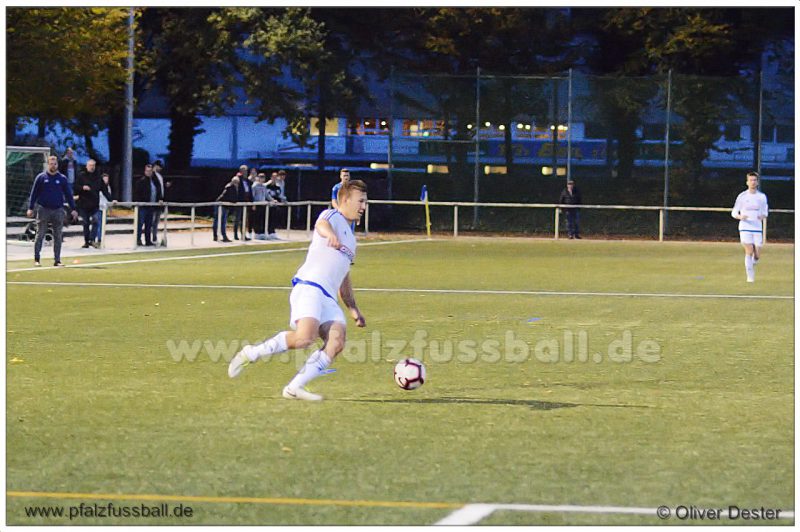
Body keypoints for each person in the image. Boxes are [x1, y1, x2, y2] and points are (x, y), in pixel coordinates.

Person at [228, 180, 369, 401]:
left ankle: (294, 387)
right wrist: (329, 234)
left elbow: (344, 276)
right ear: (345, 200)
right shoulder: (332, 216)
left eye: (365, 202)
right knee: (305, 338)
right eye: (360, 201)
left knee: (337, 342)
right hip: (310, 286)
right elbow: (321, 224)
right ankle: (251, 353)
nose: (363, 207)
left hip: (328, 297)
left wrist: (353, 309)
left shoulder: (351, 240)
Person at [26, 155, 78, 266]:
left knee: (58, 236)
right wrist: (30, 208)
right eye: (51, 164)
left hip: (58, 210)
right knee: (40, 234)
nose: (53, 166)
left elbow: (68, 195)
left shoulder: (62, 179)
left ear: (57, 165)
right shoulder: (41, 177)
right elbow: (34, 194)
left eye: (55, 164)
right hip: (43, 209)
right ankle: (37, 259)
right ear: (47, 164)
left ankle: (57, 260)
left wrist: (73, 208)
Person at [731, 171, 768, 283]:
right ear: (747, 182)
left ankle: (753, 262)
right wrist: (740, 216)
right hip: (745, 227)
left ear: (757, 182)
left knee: (757, 254)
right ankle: (750, 277)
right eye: (751, 180)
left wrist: (762, 216)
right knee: (749, 250)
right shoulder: (742, 196)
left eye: (755, 180)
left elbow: (765, 212)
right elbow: (734, 212)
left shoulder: (761, 197)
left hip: (757, 228)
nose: (753, 182)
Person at [74, 159, 101, 248]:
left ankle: (92, 239)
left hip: (94, 204)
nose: (92, 167)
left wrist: (112, 199)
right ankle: (86, 241)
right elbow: (75, 187)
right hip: (83, 204)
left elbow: (104, 189)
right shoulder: (81, 176)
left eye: (93, 165)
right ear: (86, 166)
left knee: (96, 220)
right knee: (86, 223)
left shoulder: (98, 177)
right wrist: (82, 188)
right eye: (90, 165)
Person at [133, 164, 162, 246]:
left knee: (149, 224)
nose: (149, 172)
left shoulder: (154, 181)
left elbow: (158, 191)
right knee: (140, 224)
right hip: (143, 206)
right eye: (147, 171)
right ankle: (138, 240)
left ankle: (148, 240)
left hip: (151, 206)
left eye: (150, 171)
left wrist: (159, 199)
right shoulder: (141, 181)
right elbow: (137, 194)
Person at [212, 175, 240, 242]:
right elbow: (230, 198)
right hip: (221, 205)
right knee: (219, 221)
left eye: (237, 182)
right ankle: (217, 236)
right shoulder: (230, 187)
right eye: (235, 182)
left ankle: (222, 236)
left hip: (225, 206)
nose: (236, 183)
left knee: (222, 221)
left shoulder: (232, 187)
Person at [151, 160, 170, 246]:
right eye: (159, 166)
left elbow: (161, 188)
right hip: (154, 201)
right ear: (156, 166)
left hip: (160, 202)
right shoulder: (152, 175)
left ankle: (154, 237)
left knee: (156, 221)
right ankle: (152, 237)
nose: (161, 168)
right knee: (152, 220)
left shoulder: (160, 176)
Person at [96, 172, 114, 245]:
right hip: (99, 208)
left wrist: (110, 208)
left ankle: (101, 238)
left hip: (105, 208)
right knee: (100, 224)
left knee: (103, 224)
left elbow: (109, 197)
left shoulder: (108, 187)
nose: (106, 180)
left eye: (107, 179)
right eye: (105, 179)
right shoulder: (99, 187)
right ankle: (99, 239)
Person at [251, 172, 269, 240]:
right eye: (261, 177)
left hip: (263, 204)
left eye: (263, 177)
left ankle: (262, 233)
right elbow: (252, 196)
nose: (262, 178)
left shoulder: (264, 186)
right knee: (257, 219)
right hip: (257, 204)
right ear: (258, 178)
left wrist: (272, 200)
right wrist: (253, 204)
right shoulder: (254, 186)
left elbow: (267, 195)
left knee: (262, 219)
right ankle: (256, 233)